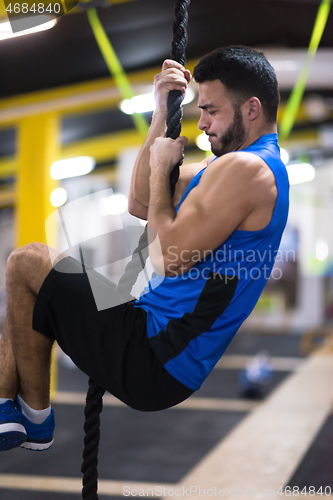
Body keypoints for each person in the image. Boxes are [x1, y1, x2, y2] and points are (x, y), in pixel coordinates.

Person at [0, 46, 289, 453]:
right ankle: (22, 414)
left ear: (252, 109)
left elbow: (165, 258)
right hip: (156, 342)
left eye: (212, 110)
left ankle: (32, 414)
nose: (202, 122)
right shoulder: (227, 168)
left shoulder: (248, 170)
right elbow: (140, 201)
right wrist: (160, 112)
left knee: (27, 262)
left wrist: (161, 169)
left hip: (156, 352)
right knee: (29, 289)